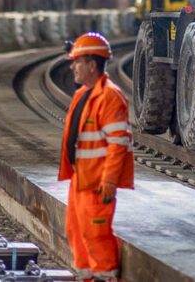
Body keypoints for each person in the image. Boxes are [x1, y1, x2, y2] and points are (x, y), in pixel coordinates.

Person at [59, 32, 134, 282]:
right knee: (76, 232)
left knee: (96, 234)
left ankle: (105, 277)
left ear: (92, 65)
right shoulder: (83, 95)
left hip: (98, 184)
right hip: (80, 179)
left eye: (77, 61)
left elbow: (118, 144)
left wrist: (110, 181)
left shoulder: (110, 97)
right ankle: (85, 277)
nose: (72, 67)